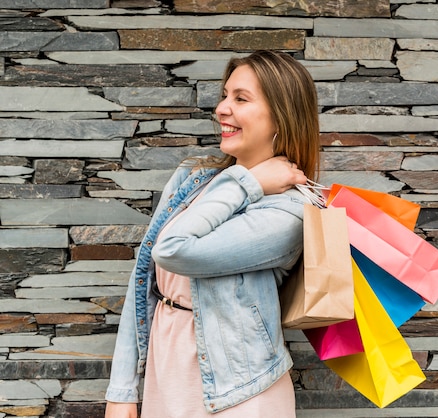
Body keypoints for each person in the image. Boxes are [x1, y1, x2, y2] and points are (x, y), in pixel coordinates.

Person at [104, 49, 320, 418]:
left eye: (240, 99)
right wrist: (122, 389)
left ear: (281, 117)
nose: (221, 108)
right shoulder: (192, 178)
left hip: (239, 392)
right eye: (225, 95)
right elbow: (143, 281)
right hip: (166, 371)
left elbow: (173, 250)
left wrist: (246, 182)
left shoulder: (289, 211)